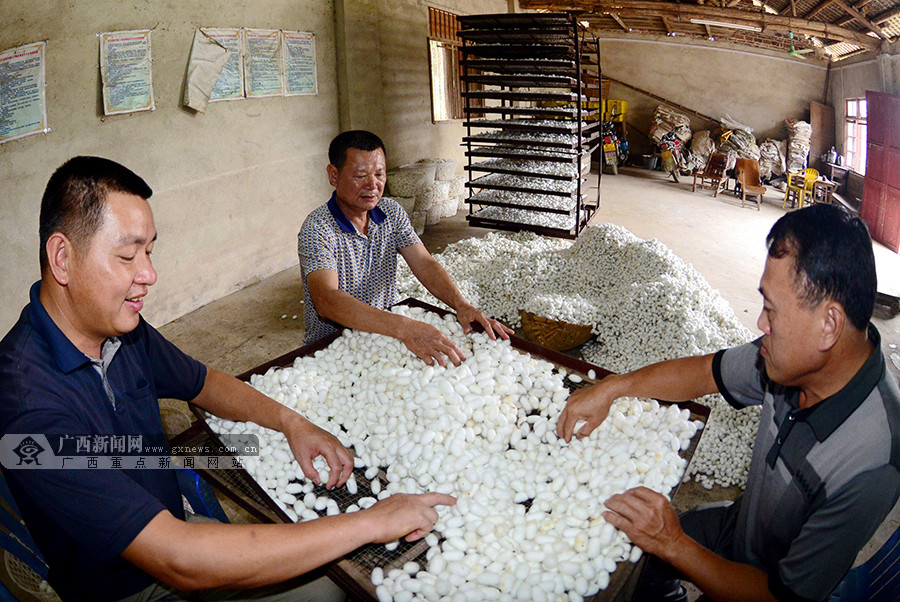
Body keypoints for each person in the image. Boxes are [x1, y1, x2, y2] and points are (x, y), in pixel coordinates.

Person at [0, 156, 455, 602]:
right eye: (126, 256)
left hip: (168, 525)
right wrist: (373, 521)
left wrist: (292, 423)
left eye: (150, 252)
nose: (149, 275)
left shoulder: (120, 332)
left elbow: (204, 384)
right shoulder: (27, 405)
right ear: (62, 258)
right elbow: (179, 558)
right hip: (128, 584)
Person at [556, 203, 900, 601]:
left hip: (774, 585)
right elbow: (705, 373)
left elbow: (783, 597)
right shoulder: (792, 361)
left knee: (655, 548)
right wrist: (614, 387)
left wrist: (672, 542)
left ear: (829, 325)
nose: (760, 324)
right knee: (638, 562)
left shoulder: (872, 462)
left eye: (771, 310)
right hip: (743, 530)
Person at [297, 130, 512, 367]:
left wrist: (461, 304)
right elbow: (326, 301)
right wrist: (406, 327)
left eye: (379, 174)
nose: (372, 185)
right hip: (332, 346)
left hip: (385, 333)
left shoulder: (391, 212)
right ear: (334, 175)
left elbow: (423, 262)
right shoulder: (318, 228)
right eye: (360, 175)